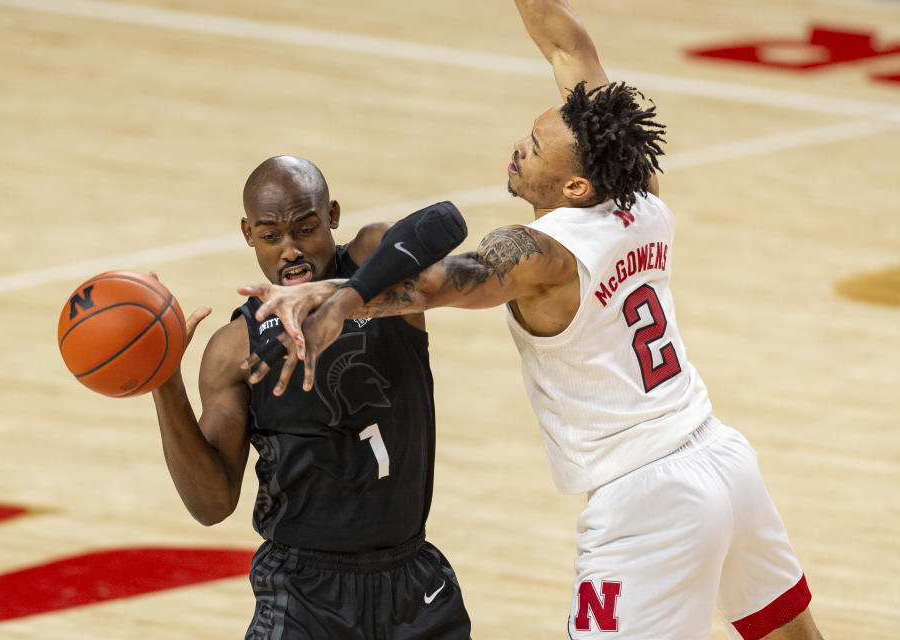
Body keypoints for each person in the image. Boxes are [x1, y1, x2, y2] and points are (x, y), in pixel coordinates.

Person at [238, 2, 826, 639]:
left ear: (573, 187)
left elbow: (434, 283)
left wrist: (334, 294)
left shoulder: (545, 255)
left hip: (648, 501)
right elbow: (567, 46)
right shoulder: (636, 186)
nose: (521, 145)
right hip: (720, 457)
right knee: (788, 633)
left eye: (537, 146)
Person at [152, 155, 472, 639]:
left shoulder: (372, 263)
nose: (290, 250)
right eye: (270, 235)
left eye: (305, 229)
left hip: (412, 583)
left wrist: (339, 299)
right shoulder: (234, 347)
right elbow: (211, 505)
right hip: (305, 593)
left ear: (333, 216)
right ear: (247, 233)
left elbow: (445, 223)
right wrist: (164, 380)